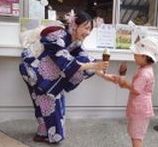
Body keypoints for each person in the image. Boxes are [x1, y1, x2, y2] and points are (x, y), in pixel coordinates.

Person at [19, 11, 115, 144]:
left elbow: (84, 58)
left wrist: (104, 74)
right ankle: (49, 134)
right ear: (75, 25)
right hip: (34, 71)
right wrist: (94, 65)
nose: (88, 32)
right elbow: (63, 59)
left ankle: (42, 133)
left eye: (90, 30)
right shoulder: (58, 36)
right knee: (48, 103)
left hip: (47, 75)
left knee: (44, 104)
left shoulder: (75, 41)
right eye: (86, 28)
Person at [115, 37, 158, 147]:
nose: (134, 56)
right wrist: (123, 82)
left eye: (136, 54)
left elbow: (135, 89)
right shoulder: (144, 68)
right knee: (135, 135)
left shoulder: (144, 73)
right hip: (139, 109)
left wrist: (123, 80)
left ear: (145, 56)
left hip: (140, 110)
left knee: (137, 138)